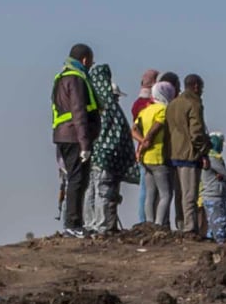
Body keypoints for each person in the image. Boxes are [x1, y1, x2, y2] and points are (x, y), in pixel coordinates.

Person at [46, 47, 97, 235]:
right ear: (84, 60)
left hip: (63, 135)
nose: (91, 65)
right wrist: (85, 144)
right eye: (91, 61)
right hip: (74, 136)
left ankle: (75, 223)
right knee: (78, 180)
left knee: (76, 180)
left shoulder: (61, 78)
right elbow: (78, 111)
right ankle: (73, 224)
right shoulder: (76, 79)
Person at [86, 62, 134, 233]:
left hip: (92, 157)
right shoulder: (109, 108)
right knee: (103, 192)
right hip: (105, 159)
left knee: (91, 191)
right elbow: (119, 134)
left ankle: (91, 224)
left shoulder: (91, 105)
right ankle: (102, 226)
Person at [168, 75, 210, 234]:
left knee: (179, 194)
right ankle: (190, 227)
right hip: (189, 154)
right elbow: (196, 133)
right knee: (190, 195)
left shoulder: (172, 104)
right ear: (196, 86)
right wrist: (204, 150)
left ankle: (181, 224)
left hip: (174, 154)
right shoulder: (194, 104)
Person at [135, 80, 175, 232]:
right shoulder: (163, 109)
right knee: (166, 194)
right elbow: (158, 125)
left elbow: (134, 129)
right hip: (158, 156)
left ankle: (149, 224)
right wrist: (148, 139)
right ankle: (158, 225)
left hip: (145, 158)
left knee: (150, 194)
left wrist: (141, 142)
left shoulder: (146, 110)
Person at [201, 131, 226, 243]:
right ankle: (221, 245)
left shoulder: (208, 158)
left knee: (212, 225)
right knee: (220, 225)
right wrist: (225, 175)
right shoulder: (213, 159)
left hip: (212, 196)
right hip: (214, 196)